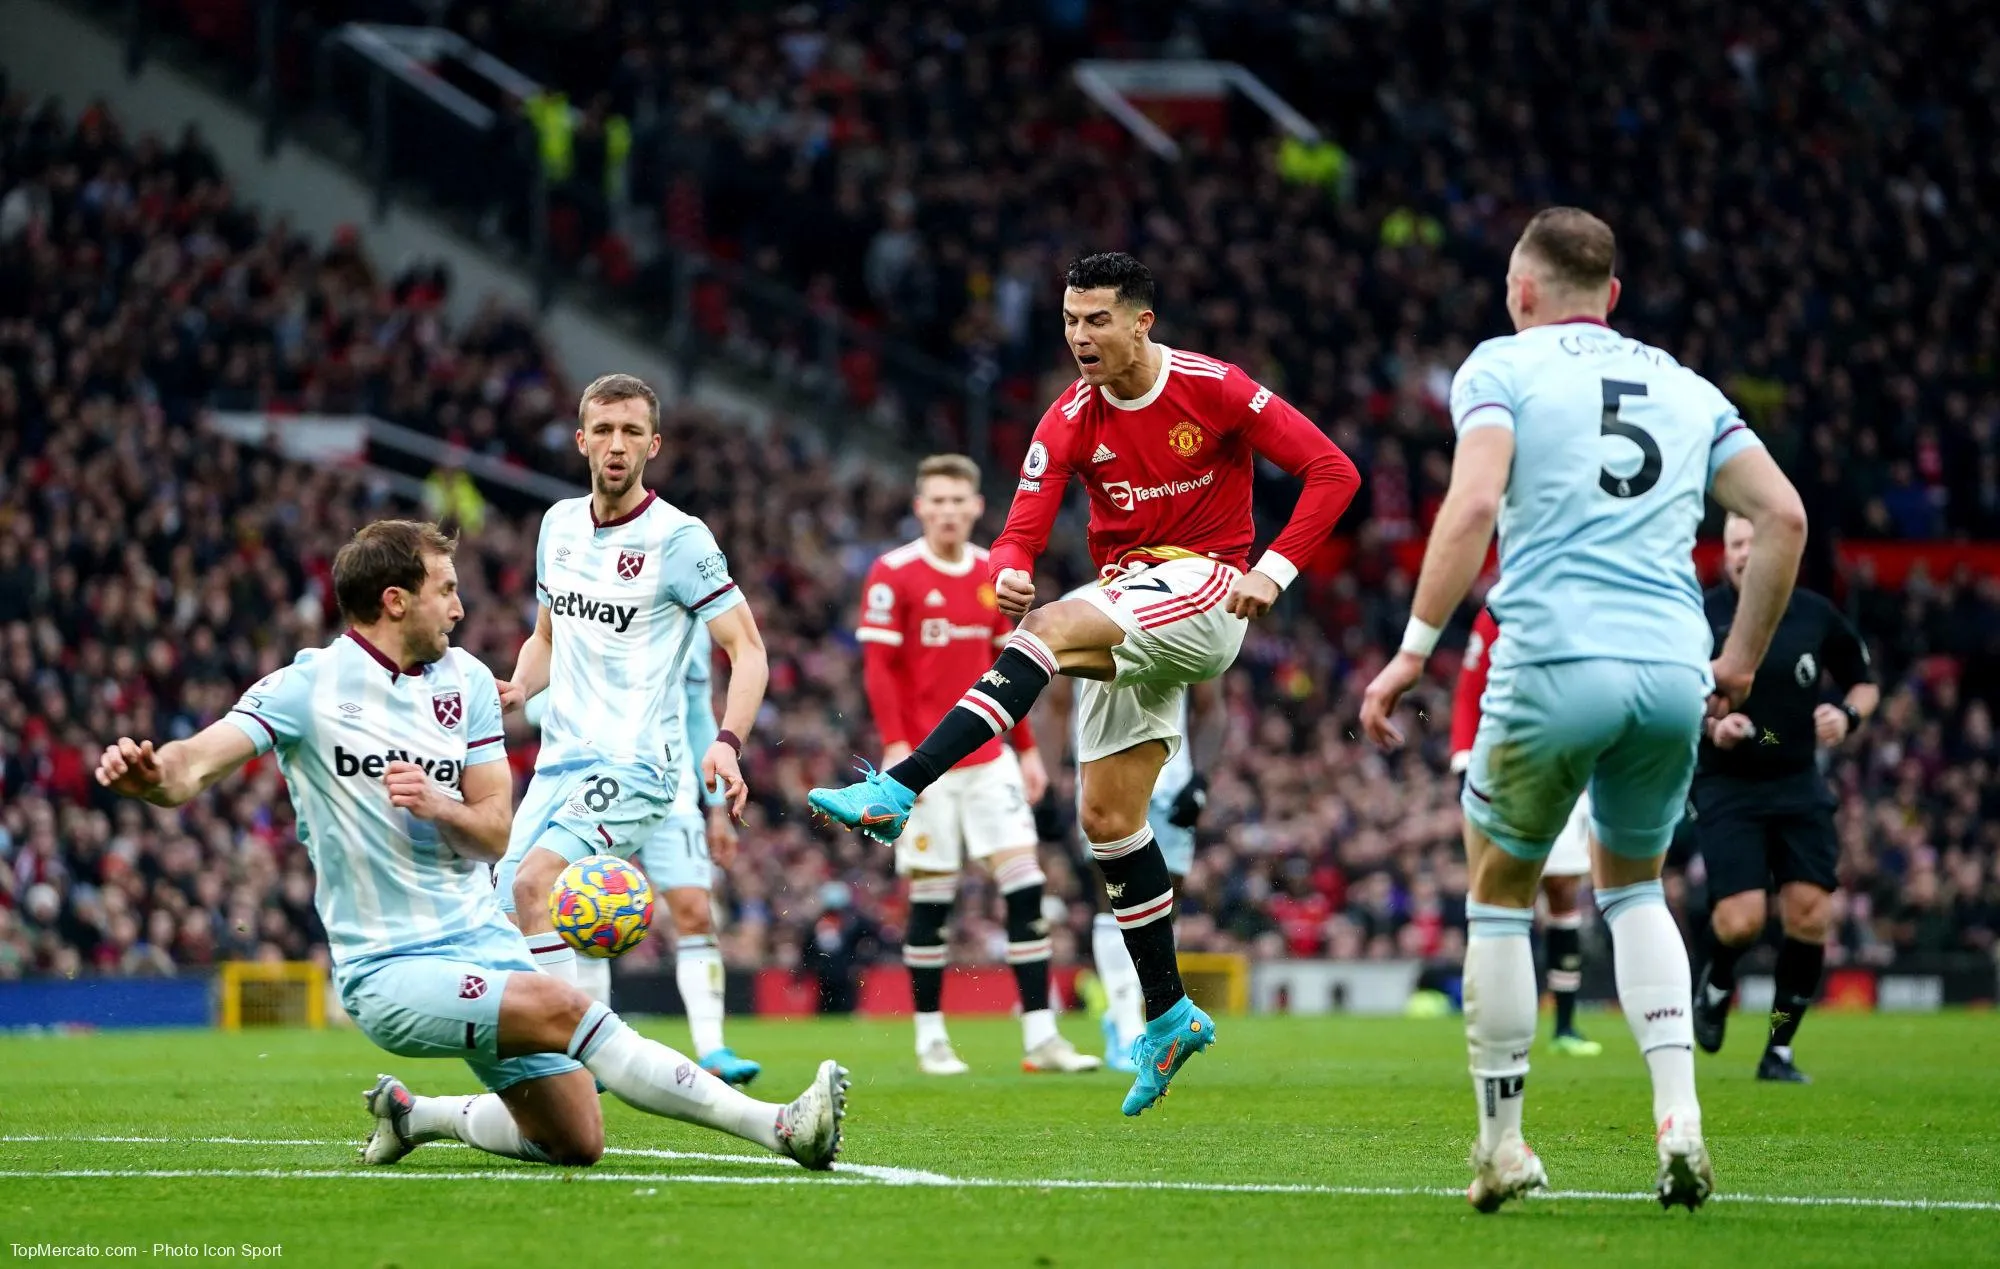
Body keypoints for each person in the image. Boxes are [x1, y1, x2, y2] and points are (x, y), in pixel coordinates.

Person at [93, 519, 847, 1170]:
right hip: (391, 967)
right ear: (396, 600)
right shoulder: (309, 687)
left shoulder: (469, 685)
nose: (460, 607)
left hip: (482, 940)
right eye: (445, 589)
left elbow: (495, 828)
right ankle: (782, 1128)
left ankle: (412, 1116)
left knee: (576, 1138)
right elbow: (190, 766)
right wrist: (148, 770)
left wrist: (439, 804)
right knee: (562, 1005)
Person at [813, 252, 1362, 1115]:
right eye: (1070, 321)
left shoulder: (1215, 388)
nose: (1079, 337)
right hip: (1130, 604)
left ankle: (898, 787)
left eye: (1097, 319)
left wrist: (1278, 569)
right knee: (1107, 820)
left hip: (1211, 586)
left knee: (1050, 632)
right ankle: (1171, 1012)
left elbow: (1334, 471)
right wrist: (1006, 571)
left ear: (1143, 321)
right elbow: (1017, 535)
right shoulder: (1068, 417)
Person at [1358, 207, 1808, 1212]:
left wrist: (1410, 655)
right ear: (1611, 295)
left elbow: (1471, 505)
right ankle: (1679, 1124)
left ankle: (1502, 1146)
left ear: (1520, 291)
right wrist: (1734, 662)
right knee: (1633, 888)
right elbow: (1781, 514)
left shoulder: (1499, 367)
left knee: (1497, 893)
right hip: (1668, 664)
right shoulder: (1689, 388)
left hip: (1554, 654)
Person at [491, 374, 770, 1097]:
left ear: (654, 443)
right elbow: (546, 635)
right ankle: (593, 1048)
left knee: (535, 882)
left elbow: (748, 649)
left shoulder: (679, 540)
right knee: (504, 902)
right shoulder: (556, 525)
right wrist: (521, 684)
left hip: (640, 765)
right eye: (604, 430)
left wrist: (729, 741)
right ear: (582, 439)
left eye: (631, 432)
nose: (617, 445)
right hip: (559, 763)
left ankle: (573, 1061)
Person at [855, 453, 1098, 1075]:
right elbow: (880, 670)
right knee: (931, 899)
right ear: (920, 507)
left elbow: (1007, 677)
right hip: (922, 764)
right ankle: (931, 1037)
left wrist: (1027, 753)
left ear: (974, 507)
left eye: (957, 501)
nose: (946, 511)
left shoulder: (994, 577)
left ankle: (1041, 1037)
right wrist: (893, 747)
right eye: (935, 500)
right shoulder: (892, 573)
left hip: (991, 761)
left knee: (1026, 885)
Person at [521, 620, 761, 1084]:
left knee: (695, 910)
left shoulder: (689, 628)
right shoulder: (596, 611)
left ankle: (713, 1049)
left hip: (670, 787)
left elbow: (696, 713)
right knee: (584, 908)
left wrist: (714, 806)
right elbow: (537, 706)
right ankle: (592, 1051)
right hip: (594, 784)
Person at [1692, 512, 1879, 1082]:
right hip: (1727, 783)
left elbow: (1866, 684)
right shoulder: (1700, 615)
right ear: (1723, 553)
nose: (1746, 553)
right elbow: (1672, 690)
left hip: (1797, 781)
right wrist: (1708, 724)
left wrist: (1846, 716)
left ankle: (1779, 1048)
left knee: (1810, 916)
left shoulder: (1814, 615)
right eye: (1736, 544)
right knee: (1741, 922)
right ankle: (1718, 979)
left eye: (1755, 542)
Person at [1045, 644, 1224, 1072]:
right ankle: (1126, 1024)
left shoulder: (1189, 598)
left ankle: (1147, 1019)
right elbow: (1053, 705)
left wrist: (1201, 778)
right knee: (1113, 896)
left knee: (1164, 907)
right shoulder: (1083, 604)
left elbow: (1210, 705)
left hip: (1171, 780)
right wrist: (1053, 781)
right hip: (1103, 781)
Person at [1450, 607, 1603, 1057]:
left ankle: (1565, 1024)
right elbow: (1468, 689)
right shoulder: (1496, 611)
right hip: (1504, 770)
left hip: (1566, 766)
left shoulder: (1579, 604)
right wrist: (1462, 757)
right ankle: (1493, 1018)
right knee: (1499, 892)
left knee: (1562, 890)